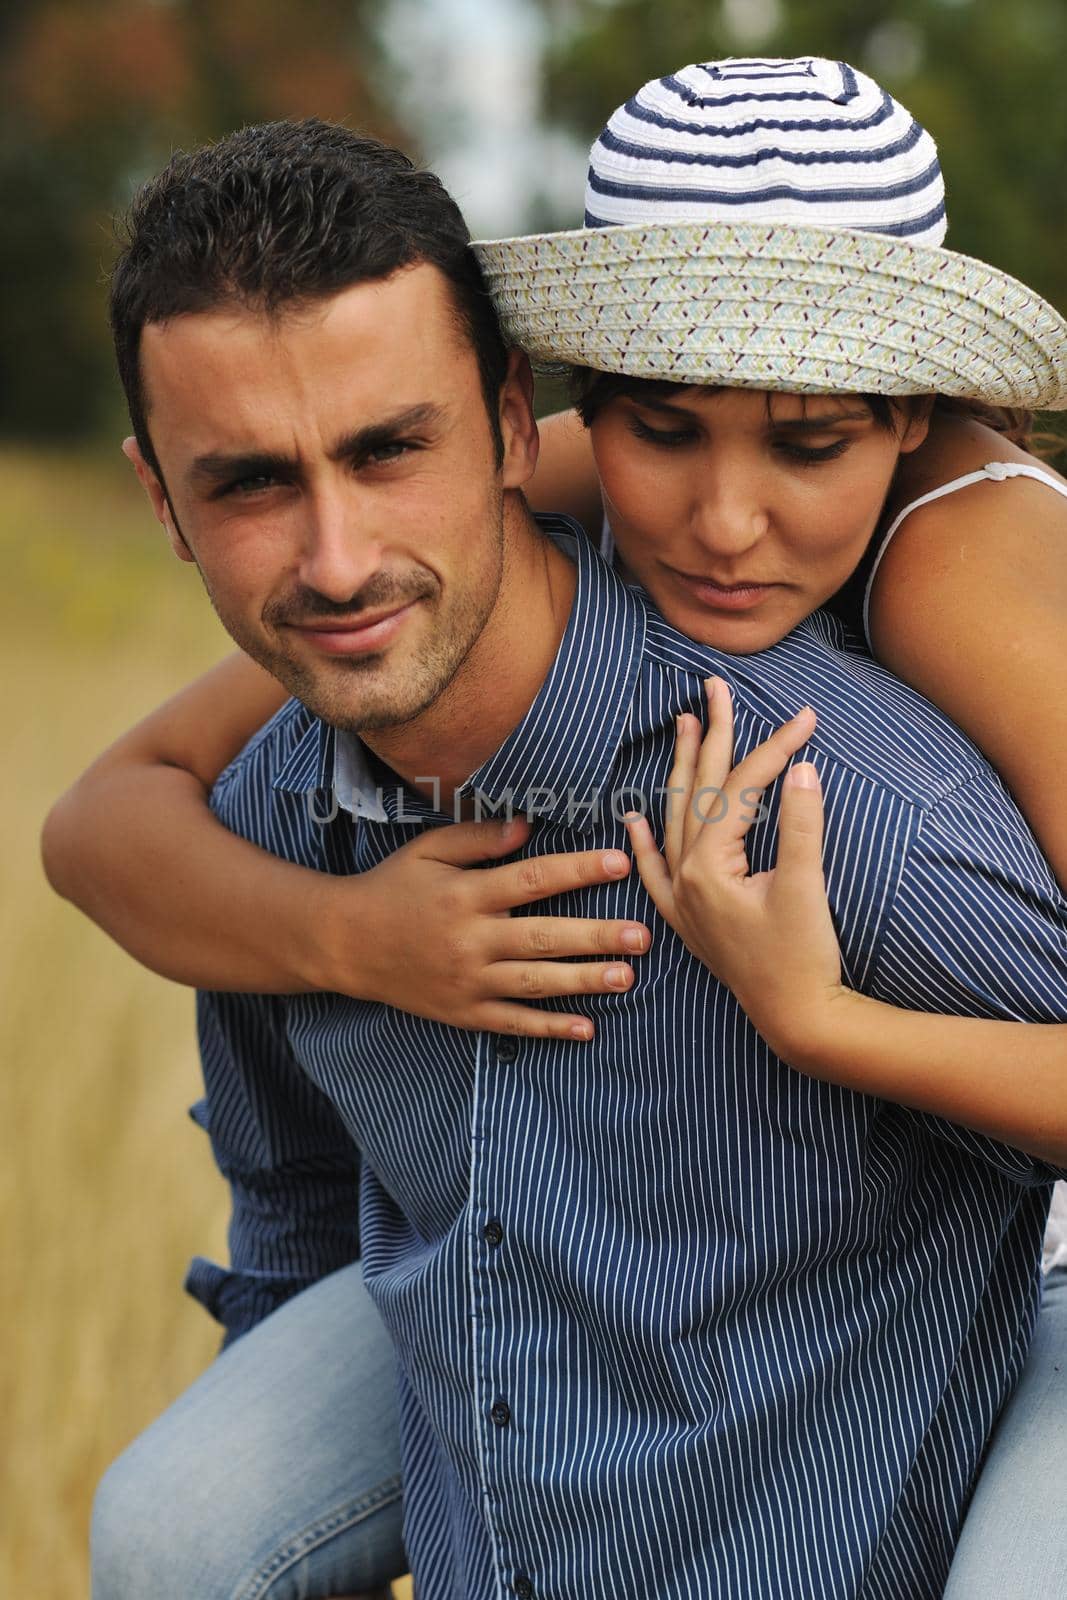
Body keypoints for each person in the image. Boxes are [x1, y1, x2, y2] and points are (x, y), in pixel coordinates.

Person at [46, 61, 1067, 1600]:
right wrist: (351, 939)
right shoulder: (396, 626)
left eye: (807, 448)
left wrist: (819, 1018)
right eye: (662, 431)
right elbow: (112, 820)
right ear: (566, 410)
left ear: (909, 413)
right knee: (176, 1527)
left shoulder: (956, 583)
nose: (725, 522)